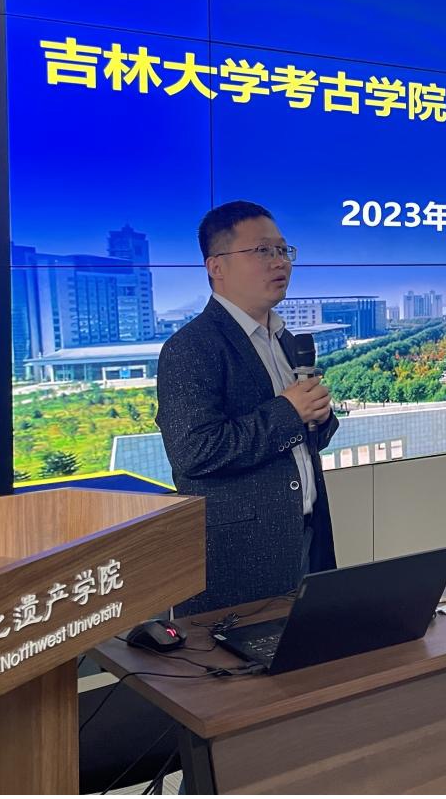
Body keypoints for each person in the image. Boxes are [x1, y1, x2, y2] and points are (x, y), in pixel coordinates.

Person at [155, 201, 340, 615]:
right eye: (262, 251)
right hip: (240, 557)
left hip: (307, 535)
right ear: (216, 266)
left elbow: (303, 439)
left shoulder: (284, 340)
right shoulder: (191, 348)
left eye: (283, 250)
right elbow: (195, 452)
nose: (280, 262)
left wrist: (320, 415)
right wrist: (289, 412)